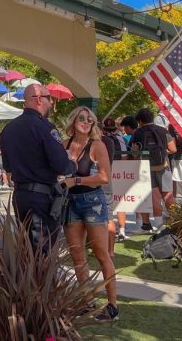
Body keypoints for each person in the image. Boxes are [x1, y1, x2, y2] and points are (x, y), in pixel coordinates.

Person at [0, 83, 75, 250]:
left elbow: (8, 166)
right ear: (39, 99)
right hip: (41, 198)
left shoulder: (8, 129)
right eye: (49, 98)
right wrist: (72, 165)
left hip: (20, 196)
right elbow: (61, 165)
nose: (51, 103)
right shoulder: (45, 127)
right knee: (43, 252)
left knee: (27, 249)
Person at [63, 107, 118, 321]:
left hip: (92, 201)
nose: (86, 122)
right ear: (73, 121)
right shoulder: (64, 145)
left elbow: (104, 177)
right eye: (82, 118)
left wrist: (76, 180)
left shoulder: (97, 145)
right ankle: (86, 302)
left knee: (101, 254)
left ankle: (112, 306)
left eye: (90, 120)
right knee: (77, 255)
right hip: (70, 202)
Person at [129, 108, 174, 232]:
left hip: (146, 169)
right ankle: (176, 221)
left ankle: (157, 226)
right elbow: (173, 149)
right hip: (164, 166)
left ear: (140, 121)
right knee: (168, 196)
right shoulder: (163, 130)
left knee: (154, 197)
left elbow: (134, 153)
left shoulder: (137, 133)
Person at [100, 116, 123, 252]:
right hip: (106, 181)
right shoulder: (111, 141)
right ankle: (111, 251)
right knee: (109, 217)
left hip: (98, 182)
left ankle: (107, 250)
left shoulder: (98, 142)